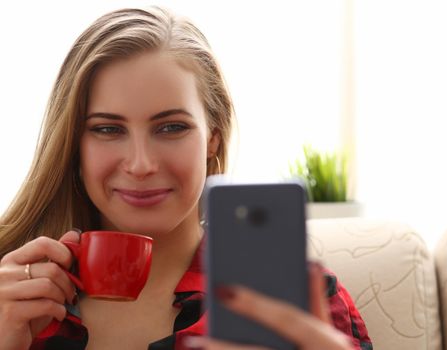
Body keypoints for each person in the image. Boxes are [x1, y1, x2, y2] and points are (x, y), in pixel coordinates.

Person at [0, 6, 372, 350]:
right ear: (73, 146)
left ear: (213, 137)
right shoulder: (10, 291)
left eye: (171, 127)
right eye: (108, 129)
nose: (141, 164)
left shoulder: (301, 300)